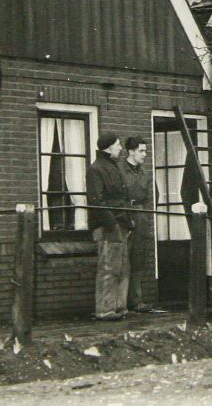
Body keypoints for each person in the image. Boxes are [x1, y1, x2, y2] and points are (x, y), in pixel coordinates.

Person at [87, 133, 133, 321]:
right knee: (108, 267)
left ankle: (119, 307)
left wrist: (128, 221)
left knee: (122, 266)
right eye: (117, 144)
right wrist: (112, 224)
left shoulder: (113, 167)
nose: (120, 147)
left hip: (120, 224)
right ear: (108, 148)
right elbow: (96, 200)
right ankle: (105, 309)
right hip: (108, 227)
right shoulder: (96, 169)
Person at [120, 136, 152, 313]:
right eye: (141, 151)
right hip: (124, 216)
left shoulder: (144, 173)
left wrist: (144, 216)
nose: (145, 154)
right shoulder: (119, 171)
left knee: (139, 258)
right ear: (130, 151)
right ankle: (121, 302)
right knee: (124, 259)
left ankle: (136, 300)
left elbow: (149, 195)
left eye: (145, 151)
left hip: (141, 216)